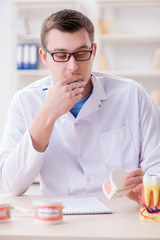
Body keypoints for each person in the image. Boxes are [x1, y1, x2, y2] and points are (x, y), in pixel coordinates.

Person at [0, 9, 160, 204]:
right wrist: (47, 114)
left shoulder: (133, 95)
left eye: (81, 53)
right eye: (60, 55)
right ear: (44, 57)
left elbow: (156, 166)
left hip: (123, 215)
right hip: (59, 219)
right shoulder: (25, 102)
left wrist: (145, 189)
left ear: (93, 52)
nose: (73, 67)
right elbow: (11, 185)